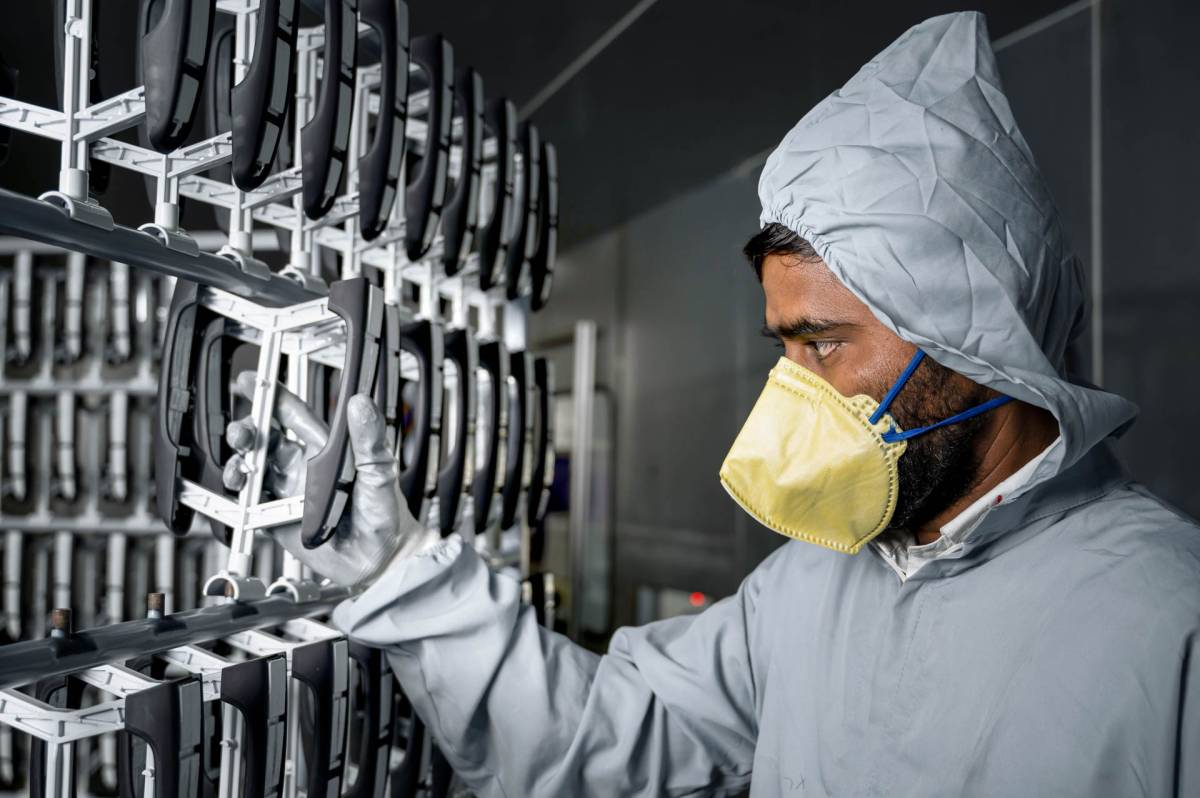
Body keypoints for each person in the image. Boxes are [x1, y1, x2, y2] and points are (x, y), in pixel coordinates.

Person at [221, 11, 1200, 796]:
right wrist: (401, 573)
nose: (792, 394)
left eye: (825, 343)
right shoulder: (808, 589)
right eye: (786, 346)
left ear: (976, 332)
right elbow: (595, 744)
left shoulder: (1167, 628)